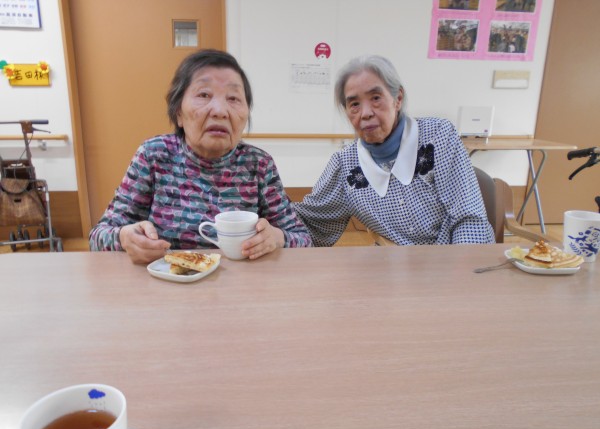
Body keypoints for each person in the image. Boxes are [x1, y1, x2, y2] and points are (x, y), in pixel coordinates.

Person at [89, 49, 311, 264]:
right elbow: (98, 236)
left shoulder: (259, 164)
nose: (220, 111)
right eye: (204, 95)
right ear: (178, 112)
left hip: (241, 284)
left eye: (233, 98)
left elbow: (303, 239)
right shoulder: (153, 155)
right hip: (170, 281)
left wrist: (277, 238)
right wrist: (124, 238)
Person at [293, 54, 495, 246]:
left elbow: (468, 219)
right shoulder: (346, 166)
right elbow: (311, 223)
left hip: (458, 258)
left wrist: (460, 269)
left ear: (397, 99)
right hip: (395, 265)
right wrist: (277, 222)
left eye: (375, 98)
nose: (365, 113)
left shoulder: (438, 136)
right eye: (354, 104)